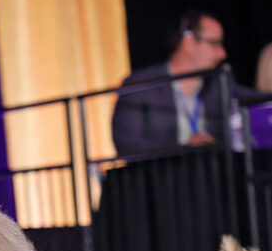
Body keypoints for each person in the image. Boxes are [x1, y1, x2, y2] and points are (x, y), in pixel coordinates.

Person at [112, 10, 268, 155]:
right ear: (189, 42)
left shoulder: (219, 84)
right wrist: (182, 149)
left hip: (212, 177)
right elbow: (127, 144)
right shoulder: (141, 86)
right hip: (160, 179)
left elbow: (257, 99)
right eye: (214, 43)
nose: (222, 53)